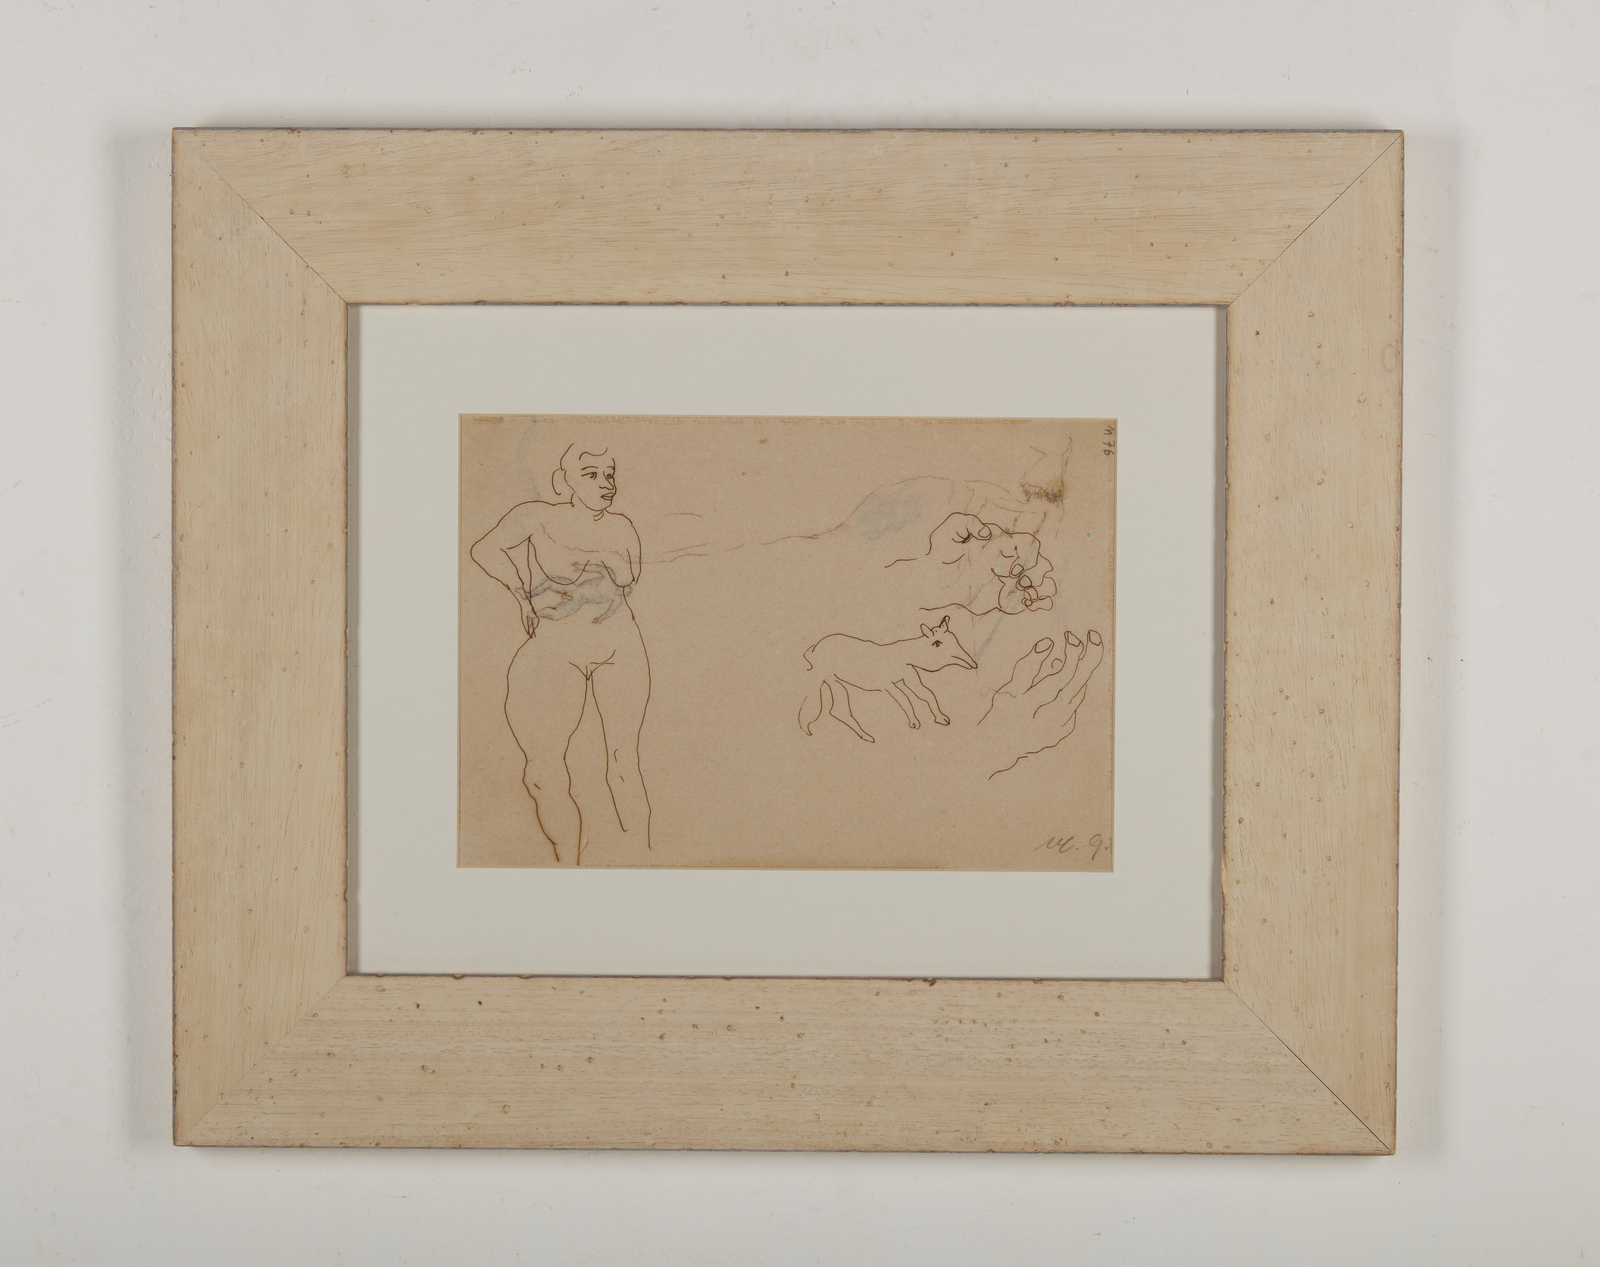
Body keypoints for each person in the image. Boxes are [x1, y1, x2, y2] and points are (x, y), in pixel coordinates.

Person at [469, 444, 650, 862]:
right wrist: (520, 592)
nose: (605, 483)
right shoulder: (537, 517)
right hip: (555, 645)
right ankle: (567, 868)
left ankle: (642, 862)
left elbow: (629, 575)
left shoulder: (621, 527)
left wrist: (593, 561)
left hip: (617, 645)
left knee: (623, 762)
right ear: (561, 481)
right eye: (591, 474)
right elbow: (484, 549)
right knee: (541, 773)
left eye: (610, 473)